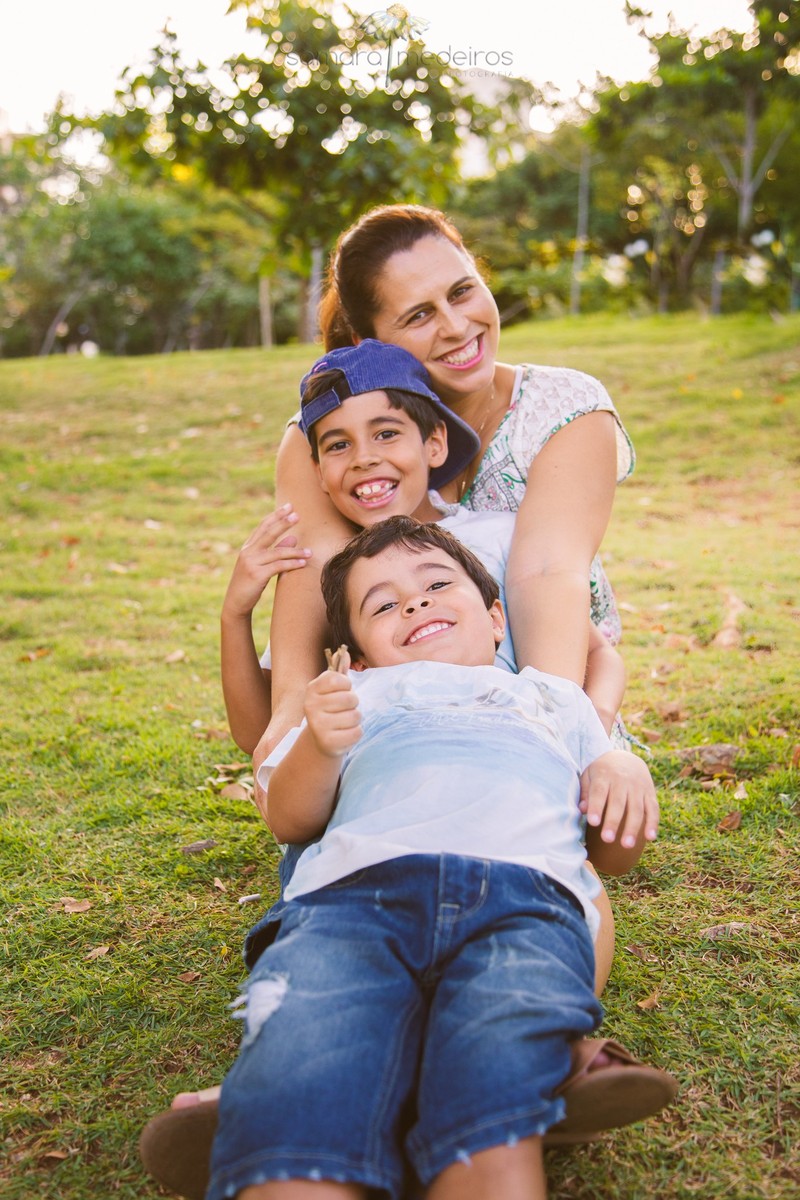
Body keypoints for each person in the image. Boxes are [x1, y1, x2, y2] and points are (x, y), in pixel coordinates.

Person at [198, 517, 675, 1200]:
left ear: (496, 618)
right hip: (350, 907)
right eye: (383, 605)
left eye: (434, 585)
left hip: (524, 906)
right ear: (357, 656)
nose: (414, 603)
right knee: (303, 1089)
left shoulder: (549, 698)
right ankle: (288, 1111)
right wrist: (322, 746)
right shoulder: (350, 699)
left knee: (493, 1102)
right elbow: (290, 818)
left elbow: (610, 853)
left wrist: (621, 770)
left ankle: (431, 1096)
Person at [263, 204, 635, 779]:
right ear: (369, 342)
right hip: (394, 700)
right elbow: (313, 569)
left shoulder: (566, 407)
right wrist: (288, 714)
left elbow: (546, 573)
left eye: (462, 292)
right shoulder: (327, 437)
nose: (457, 327)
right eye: (418, 315)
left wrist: (560, 741)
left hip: (552, 687)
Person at [222, 339, 626, 749]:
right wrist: (235, 614)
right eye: (339, 445)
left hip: (514, 757)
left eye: (385, 433)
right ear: (319, 472)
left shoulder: (499, 537)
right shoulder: (337, 575)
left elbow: (601, 655)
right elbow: (261, 735)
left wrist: (591, 745)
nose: (364, 458)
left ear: (434, 443)